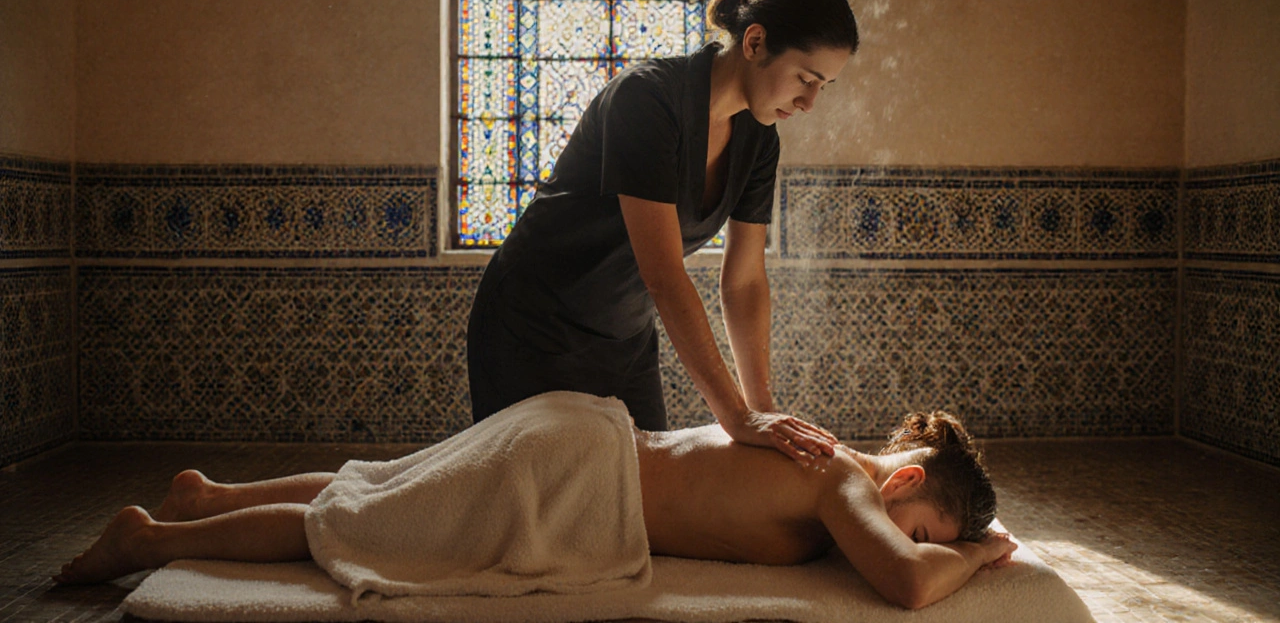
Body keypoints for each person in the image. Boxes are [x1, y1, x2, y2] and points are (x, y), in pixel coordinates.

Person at [53, 400, 1016, 610]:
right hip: (570, 478)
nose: (908, 544)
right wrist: (978, 554)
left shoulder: (824, 452)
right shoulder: (846, 479)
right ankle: (153, 538)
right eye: (921, 529)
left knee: (389, 488)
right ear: (905, 482)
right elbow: (904, 586)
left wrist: (957, 541)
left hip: (579, 437)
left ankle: (208, 495)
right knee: (367, 526)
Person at [467, 0, 860, 463]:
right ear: (755, 42)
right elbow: (664, 275)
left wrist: (762, 411)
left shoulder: (759, 139)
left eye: (823, 87)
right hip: (532, 327)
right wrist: (736, 418)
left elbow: (743, 282)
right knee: (534, 498)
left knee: (637, 498)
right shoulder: (647, 98)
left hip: (625, 338)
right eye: (805, 79)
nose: (809, 103)